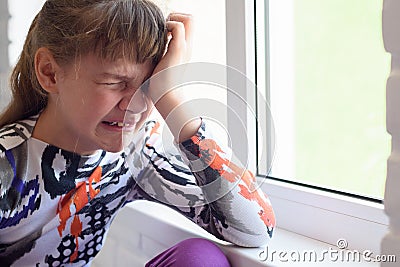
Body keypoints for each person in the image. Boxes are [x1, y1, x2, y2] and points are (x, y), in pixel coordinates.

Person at [0, 0, 276, 266]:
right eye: (114, 82)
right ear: (50, 73)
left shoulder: (137, 153)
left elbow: (256, 228)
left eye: (148, 86)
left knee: (200, 259)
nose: (135, 105)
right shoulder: (8, 163)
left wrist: (169, 97)